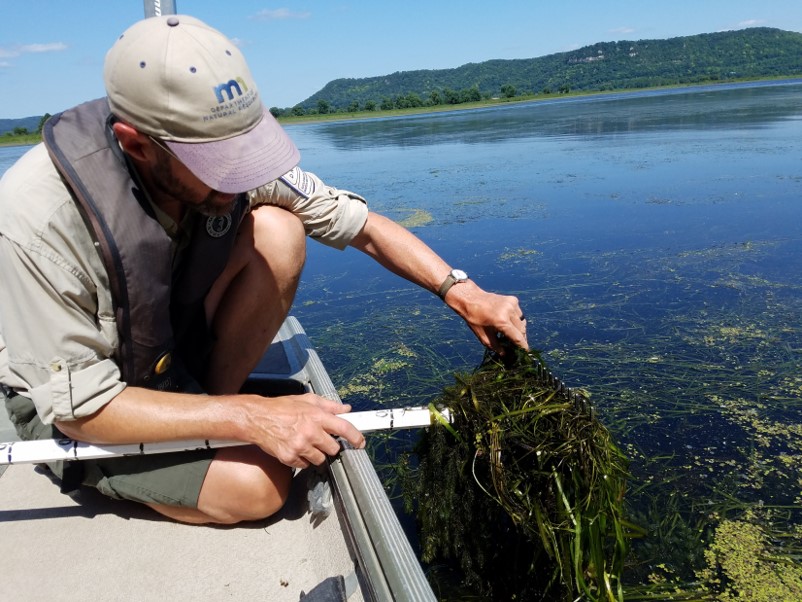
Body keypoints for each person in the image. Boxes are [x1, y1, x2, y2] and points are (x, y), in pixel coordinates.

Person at [0, 15, 527, 525]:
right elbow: (80, 408)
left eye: (244, 151)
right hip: (77, 399)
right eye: (216, 163)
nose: (239, 176)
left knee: (278, 228)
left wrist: (461, 291)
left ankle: (213, 400)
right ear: (137, 144)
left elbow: (361, 226)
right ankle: (192, 431)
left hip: (165, 348)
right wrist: (251, 416)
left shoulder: (228, 164)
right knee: (259, 487)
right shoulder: (36, 219)